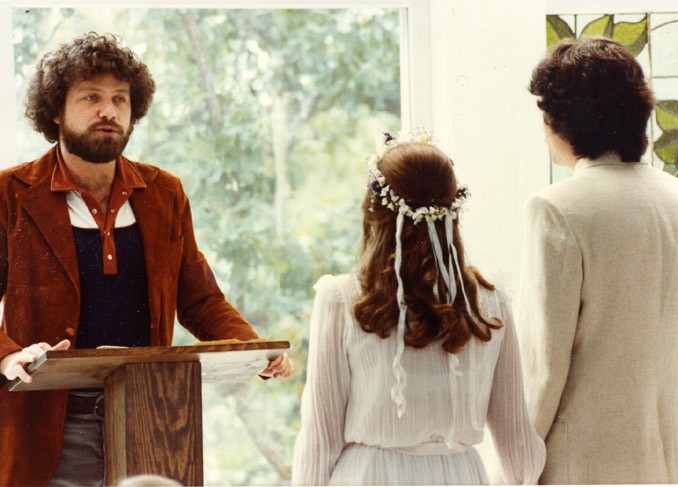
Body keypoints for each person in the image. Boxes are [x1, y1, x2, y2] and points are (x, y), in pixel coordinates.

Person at [0, 32, 292, 486]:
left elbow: (199, 299)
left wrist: (252, 348)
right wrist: (9, 356)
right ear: (55, 109)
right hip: (45, 428)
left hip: (153, 414)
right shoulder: (10, 194)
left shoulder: (164, 192)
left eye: (121, 98)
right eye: (91, 97)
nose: (109, 110)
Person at [291, 131, 545, 485]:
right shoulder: (489, 300)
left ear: (374, 213)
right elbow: (518, 444)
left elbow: (320, 439)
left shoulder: (343, 300)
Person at [518, 36, 678, 484]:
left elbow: (543, 367)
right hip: (675, 461)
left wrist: (511, 471)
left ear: (563, 121)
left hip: (583, 464)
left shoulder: (557, 208)